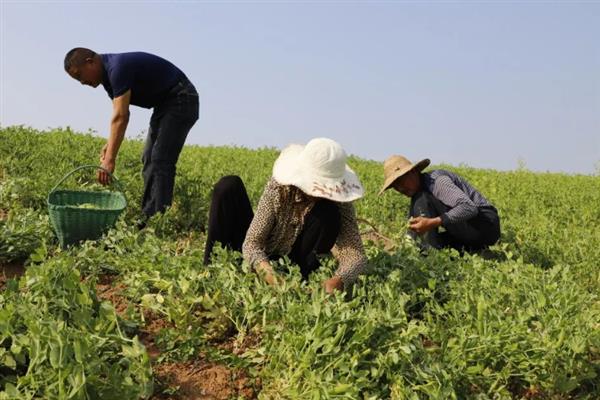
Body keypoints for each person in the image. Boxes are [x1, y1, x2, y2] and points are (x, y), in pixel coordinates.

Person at [204, 138, 368, 294]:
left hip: (296, 264)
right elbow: (252, 243)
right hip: (264, 252)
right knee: (228, 186)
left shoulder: (339, 200)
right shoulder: (280, 186)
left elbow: (356, 254)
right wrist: (271, 276)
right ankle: (210, 273)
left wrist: (339, 280)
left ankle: (303, 280)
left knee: (328, 214)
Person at [64, 48, 199, 218]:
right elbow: (118, 115)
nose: (82, 82)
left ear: (90, 62)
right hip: (165, 105)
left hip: (182, 97)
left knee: (160, 158)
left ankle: (159, 219)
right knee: (148, 157)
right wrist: (109, 145)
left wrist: (109, 160)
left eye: (79, 75)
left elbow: (121, 116)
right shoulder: (108, 79)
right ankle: (148, 216)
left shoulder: (117, 69)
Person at [379, 155, 500, 252]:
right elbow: (413, 227)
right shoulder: (418, 194)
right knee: (426, 245)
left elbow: (469, 208)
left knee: (421, 199)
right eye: (395, 186)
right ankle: (476, 249)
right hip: (468, 230)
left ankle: (429, 256)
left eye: (401, 181)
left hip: (485, 224)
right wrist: (407, 243)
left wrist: (433, 222)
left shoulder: (436, 182)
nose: (400, 188)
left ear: (413, 172)